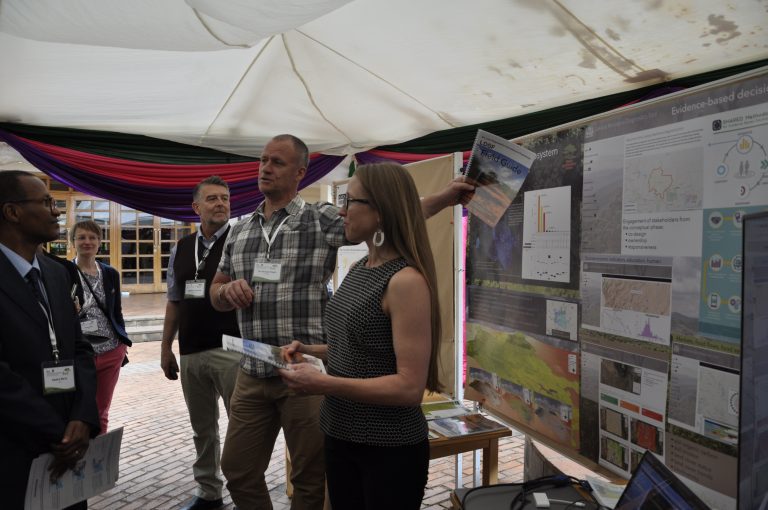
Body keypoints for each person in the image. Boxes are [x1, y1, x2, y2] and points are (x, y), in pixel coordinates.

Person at [209, 134, 472, 510]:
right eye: (263, 160)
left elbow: (393, 208)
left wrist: (445, 198)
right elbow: (215, 291)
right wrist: (225, 291)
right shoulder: (241, 230)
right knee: (237, 469)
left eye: (277, 162)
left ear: (300, 172)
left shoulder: (322, 220)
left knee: (310, 479)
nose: (265, 168)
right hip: (258, 369)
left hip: (312, 379)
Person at [278, 162, 441, 509]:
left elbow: (409, 388)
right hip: (341, 434)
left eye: (350, 201)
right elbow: (357, 345)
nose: (342, 211)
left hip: (387, 449)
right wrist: (309, 349)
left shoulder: (405, 281)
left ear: (381, 211)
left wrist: (324, 384)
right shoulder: (359, 268)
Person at [0, 170, 99, 509]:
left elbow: (80, 348)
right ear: (12, 212)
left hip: (69, 448)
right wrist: (57, 431)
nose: (57, 211)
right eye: (46, 202)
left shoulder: (57, 273)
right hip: (14, 451)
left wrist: (83, 417)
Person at [160, 176, 241, 510]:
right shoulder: (181, 248)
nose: (220, 203)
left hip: (233, 350)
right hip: (191, 351)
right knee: (202, 429)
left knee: (242, 427)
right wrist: (165, 347)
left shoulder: (241, 240)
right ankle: (209, 493)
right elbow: (174, 301)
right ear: (196, 207)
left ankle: (244, 492)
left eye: (225, 198)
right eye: (212, 198)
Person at [70, 220, 132, 434]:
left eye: (92, 237)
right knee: (76, 410)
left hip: (111, 352)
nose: (87, 242)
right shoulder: (64, 272)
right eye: (81, 237)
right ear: (73, 242)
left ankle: (99, 451)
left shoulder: (110, 273)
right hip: (80, 354)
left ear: (99, 242)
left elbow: (117, 311)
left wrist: (122, 341)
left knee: (101, 410)